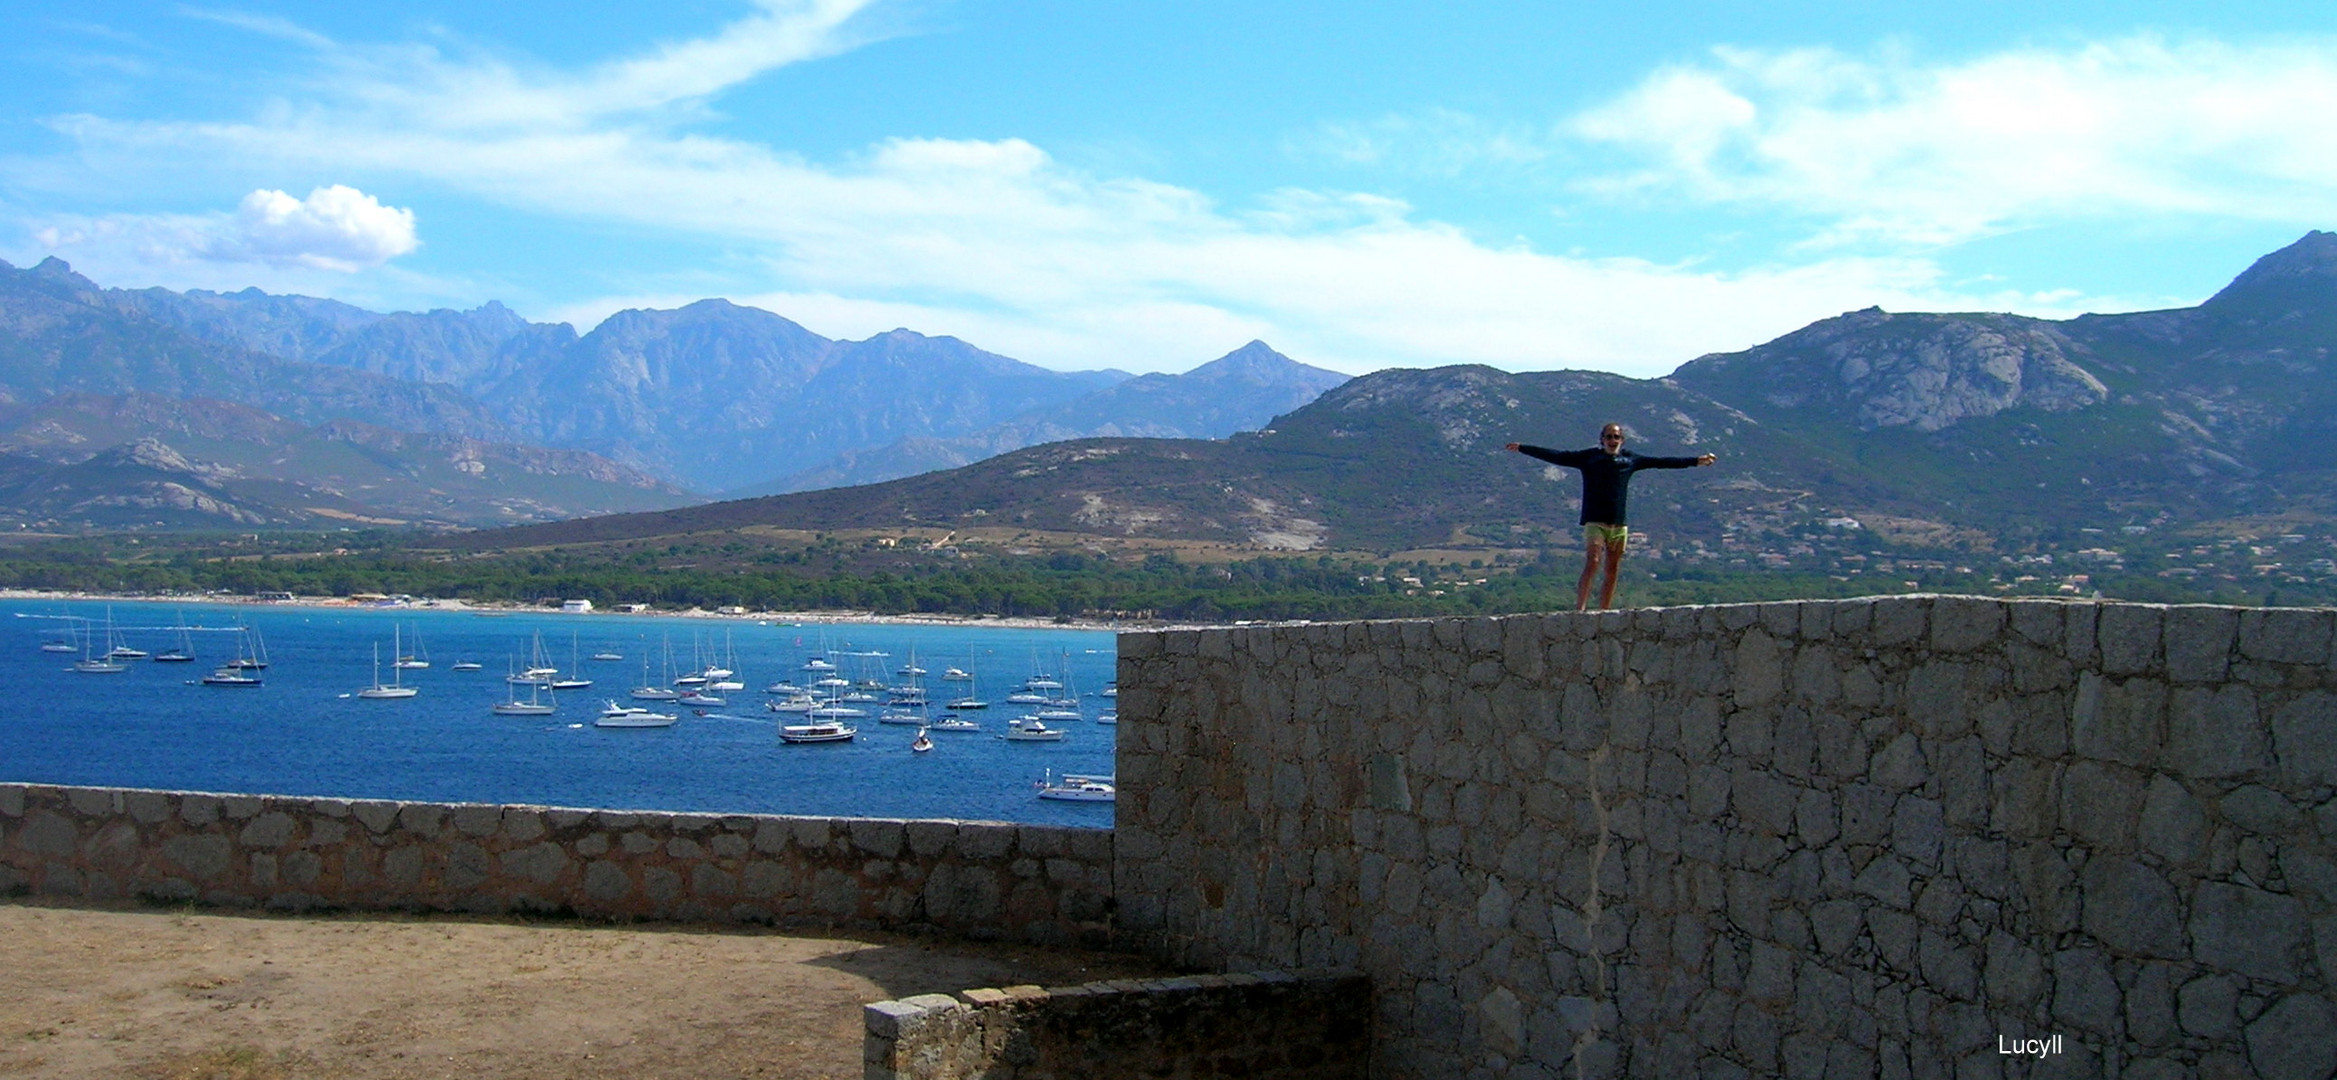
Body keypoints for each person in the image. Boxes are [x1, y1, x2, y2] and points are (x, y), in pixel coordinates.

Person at [1507, 423, 1716, 611]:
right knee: (1593, 561)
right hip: (1594, 521)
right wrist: (1524, 448)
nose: (1612, 440)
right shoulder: (1589, 458)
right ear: (1602, 440)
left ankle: (1604, 611)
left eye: (1616, 437)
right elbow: (1558, 456)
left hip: (1618, 523)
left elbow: (1662, 462)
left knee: (1612, 568)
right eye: (1608, 437)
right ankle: (1580, 608)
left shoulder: (1630, 459)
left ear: (1621, 440)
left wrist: (1696, 461)